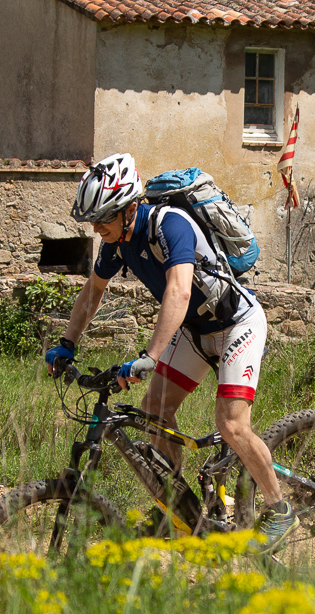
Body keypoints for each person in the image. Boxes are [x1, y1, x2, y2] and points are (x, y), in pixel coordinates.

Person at [42, 153, 294, 540]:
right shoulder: (117, 242)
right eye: (92, 220)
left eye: (103, 217)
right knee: (154, 412)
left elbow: (179, 291)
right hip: (195, 329)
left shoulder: (170, 224)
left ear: (129, 208)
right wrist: (67, 343)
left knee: (231, 424)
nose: (95, 227)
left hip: (235, 323)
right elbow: (93, 290)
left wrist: (150, 356)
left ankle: (280, 509)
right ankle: (181, 511)